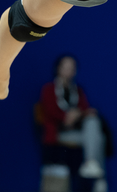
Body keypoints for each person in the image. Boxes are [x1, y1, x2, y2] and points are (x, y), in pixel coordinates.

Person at [39, 55, 107, 183]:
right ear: (58, 68)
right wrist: (66, 117)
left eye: (72, 67)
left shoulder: (78, 90)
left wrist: (80, 114)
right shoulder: (49, 89)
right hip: (59, 133)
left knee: (96, 131)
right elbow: (50, 111)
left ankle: (93, 169)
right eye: (66, 67)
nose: (69, 70)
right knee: (97, 139)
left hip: (77, 131)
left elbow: (84, 108)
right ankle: (98, 178)